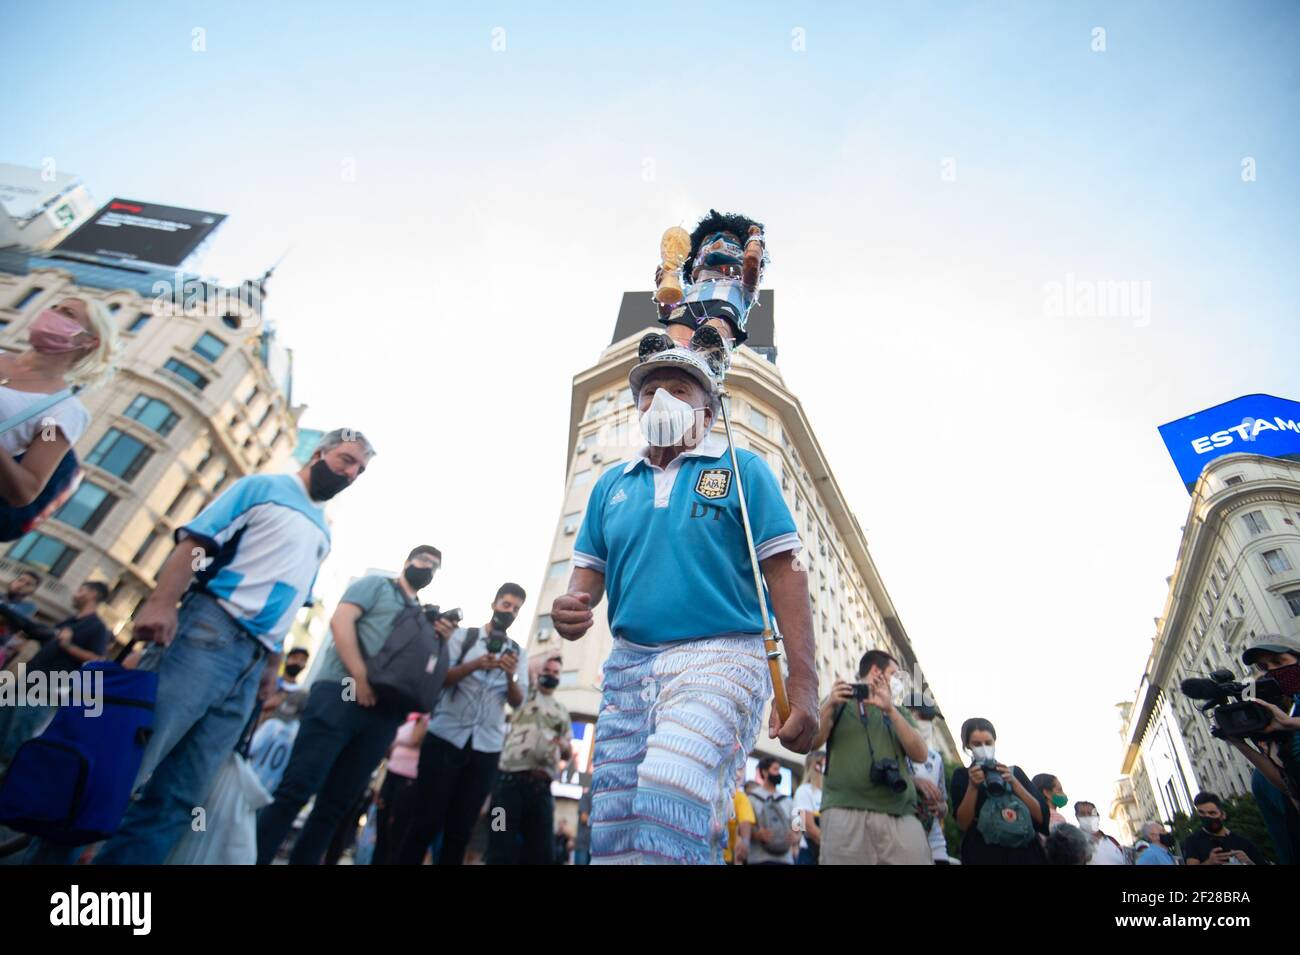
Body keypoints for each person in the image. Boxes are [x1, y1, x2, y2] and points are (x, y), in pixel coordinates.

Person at [552, 343, 817, 864]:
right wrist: (570, 609)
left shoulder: (743, 469)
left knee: (671, 788)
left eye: (678, 390)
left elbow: (787, 573)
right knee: (616, 827)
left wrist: (804, 684)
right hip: (628, 666)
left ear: (709, 410)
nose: (661, 401)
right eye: (649, 392)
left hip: (722, 654)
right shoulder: (610, 485)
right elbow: (584, 583)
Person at [92, 428, 374, 865]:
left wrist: (271, 665)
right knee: (124, 763)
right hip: (206, 634)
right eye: (345, 459)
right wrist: (163, 602)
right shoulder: (263, 487)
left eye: (359, 469)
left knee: (182, 794)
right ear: (319, 452)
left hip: (251, 665)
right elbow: (198, 540)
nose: (351, 472)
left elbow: (292, 602)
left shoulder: (322, 532)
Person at [256, 545, 445, 864]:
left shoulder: (422, 616)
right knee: (295, 790)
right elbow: (341, 621)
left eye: (434, 566)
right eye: (424, 560)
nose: (427, 567)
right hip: (340, 691)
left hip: (383, 713)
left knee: (335, 806)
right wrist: (359, 675)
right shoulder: (376, 586)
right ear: (408, 560)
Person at [396, 583, 528, 865]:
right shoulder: (464, 637)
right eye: (506, 605)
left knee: (460, 829)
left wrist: (509, 676)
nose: (510, 612)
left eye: (516, 609)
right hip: (445, 738)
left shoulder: (517, 652)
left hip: (485, 748)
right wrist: (476, 665)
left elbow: (518, 701)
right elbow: (441, 677)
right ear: (494, 604)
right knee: (423, 822)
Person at [0, 297, 119, 514]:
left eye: (67, 313)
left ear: (90, 341)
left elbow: (26, 489)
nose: (52, 314)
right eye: (53, 307)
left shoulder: (62, 411)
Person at [812, 651, 932, 865]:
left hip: (900, 814)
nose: (898, 682)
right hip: (844, 811)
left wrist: (891, 712)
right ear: (876, 671)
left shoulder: (898, 711)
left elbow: (920, 754)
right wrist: (829, 704)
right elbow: (812, 742)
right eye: (894, 674)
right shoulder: (838, 701)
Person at [0, 580, 110, 764]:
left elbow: (97, 659)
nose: (76, 593)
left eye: (81, 590)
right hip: (26, 683)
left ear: (92, 595)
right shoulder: (69, 621)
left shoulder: (97, 627)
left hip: (47, 690)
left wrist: (67, 645)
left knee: (17, 741)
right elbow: (36, 630)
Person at [486, 655, 573, 865]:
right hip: (506, 787)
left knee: (542, 854)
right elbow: (531, 665)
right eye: (547, 670)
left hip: (541, 791)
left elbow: (568, 752)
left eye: (555, 672)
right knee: (499, 844)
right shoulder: (524, 695)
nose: (550, 675)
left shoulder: (562, 712)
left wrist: (563, 745)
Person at [949, 717, 1049, 864]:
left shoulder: (1014, 773)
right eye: (977, 744)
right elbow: (963, 823)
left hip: (1025, 854)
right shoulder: (963, 776)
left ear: (995, 741)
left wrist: (1014, 783)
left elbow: (1041, 817)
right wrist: (973, 787)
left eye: (988, 743)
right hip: (985, 855)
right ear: (968, 746)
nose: (984, 748)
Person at [371, 712, 428, 865]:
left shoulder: (427, 717)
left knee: (396, 835)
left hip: (409, 780)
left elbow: (415, 738)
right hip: (391, 775)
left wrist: (398, 739)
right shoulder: (409, 716)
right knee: (381, 833)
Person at [906, 704, 950, 864]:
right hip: (901, 837)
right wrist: (913, 781)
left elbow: (944, 804)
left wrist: (940, 807)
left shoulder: (936, 758)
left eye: (929, 719)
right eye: (922, 717)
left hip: (934, 842)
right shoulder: (893, 747)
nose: (926, 723)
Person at [1181, 792, 1267, 865]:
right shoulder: (1192, 842)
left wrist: (1248, 862)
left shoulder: (1243, 842)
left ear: (1223, 815)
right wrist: (1209, 862)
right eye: (1202, 813)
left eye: (1212, 813)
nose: (1207, 817)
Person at [747, 757, 798, 865]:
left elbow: (799, 825)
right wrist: (756, 835)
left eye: (779, 770)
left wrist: (796, 836)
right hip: (759, 859)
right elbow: (743, 827)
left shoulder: (788, 800)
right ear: (764, 772)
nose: (778, 774)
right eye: (775, 769)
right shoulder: (751, 798)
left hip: (785, 859)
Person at [258, 646, 311, 722]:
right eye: (295, 658)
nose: (297, 662)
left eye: (302, 660)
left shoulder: (301, 694)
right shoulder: (269, 682)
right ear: (286, 659)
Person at [0, 570, 40, 669]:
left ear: (32, 590)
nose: (22, 584)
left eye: (28, 584)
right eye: (21, 580)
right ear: (13, 581)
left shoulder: (29, 607)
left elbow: (13, 616)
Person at [792, 750, 824, 865]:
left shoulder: (827, 793)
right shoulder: (805, 791)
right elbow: (808, 827)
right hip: (810, 854)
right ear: (816, 766)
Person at [724, 768, 756, 866]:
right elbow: (745, 821)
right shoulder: (738, 796)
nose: (738, 775)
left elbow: (745, 822)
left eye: (742, 770)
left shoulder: (740, 797)